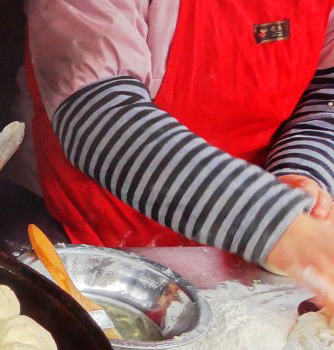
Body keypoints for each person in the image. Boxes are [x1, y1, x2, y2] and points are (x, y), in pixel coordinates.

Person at [25, 0, 334, 308]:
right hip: (87, 247)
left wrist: (302, 173)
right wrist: (272, 221)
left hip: (246, 256)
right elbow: (98, 116)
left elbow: (326, 92)